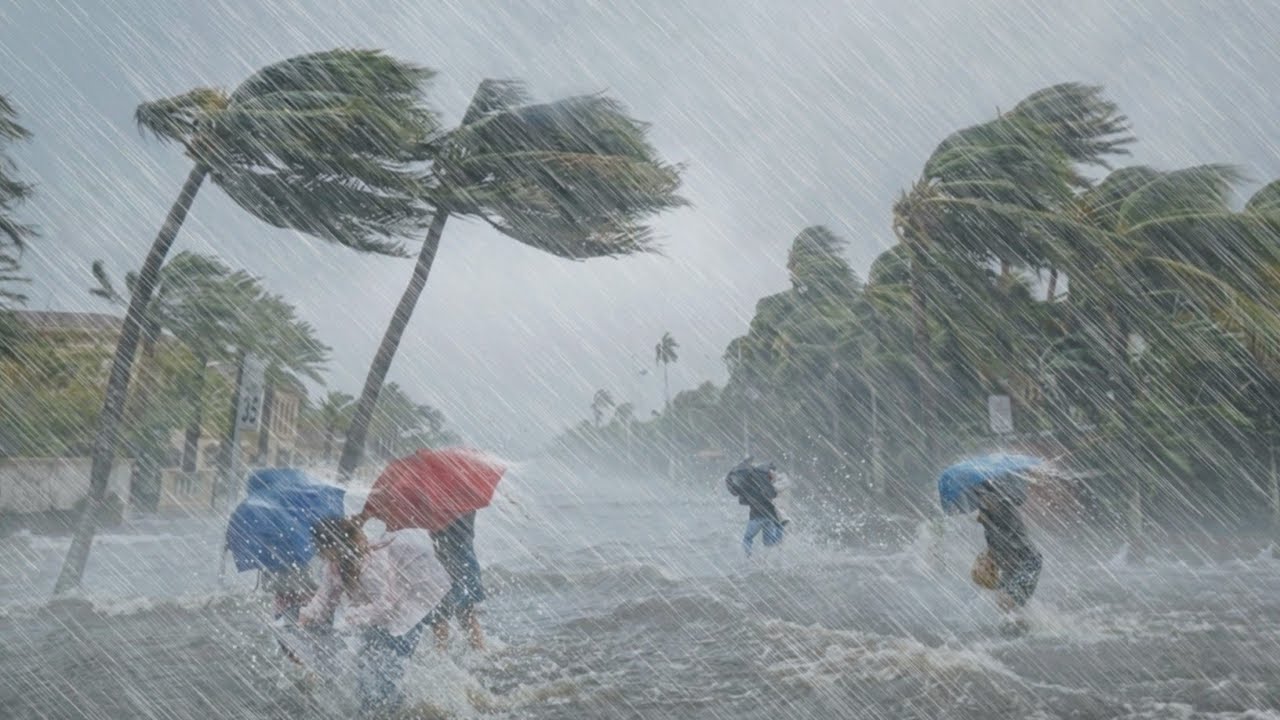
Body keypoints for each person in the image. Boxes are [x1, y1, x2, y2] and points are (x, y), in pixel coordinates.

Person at [298, 517, 448, 715]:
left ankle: (400, 709)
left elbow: (387, 603)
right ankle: (374, 711)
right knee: (365, 673)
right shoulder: (333, 567)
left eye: (322, 548)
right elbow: (325, 597)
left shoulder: (374, 561)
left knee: (389, 676)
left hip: (402, 623)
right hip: (372, 623)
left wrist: (351, 617)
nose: (320, 553)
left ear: (336, 545)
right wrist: (307, 616)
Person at [973, 482, 1042, 612]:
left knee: (1007, 600)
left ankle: (1025, 619)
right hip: (1019, 565)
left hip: (1029, 562)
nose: (984, 502)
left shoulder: (1006, 511)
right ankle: (1024, 619)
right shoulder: (991, 522)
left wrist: (986, 516)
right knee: (1007, 604)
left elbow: (1006, 534)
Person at [428, 511, 486, 651]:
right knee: (467, 614)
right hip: (466, 562)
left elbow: (434, 527)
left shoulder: (437, 505)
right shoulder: (466, 501)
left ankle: (440, 656)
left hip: (446, 565)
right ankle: (482, 653)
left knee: (439, 617)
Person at [726, 460, 786, 556]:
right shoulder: (765, 485)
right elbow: (773, 494)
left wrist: (728, 478)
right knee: (769, 543)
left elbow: (734, 491)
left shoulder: (746, 488)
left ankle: (748, 556)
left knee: (747, 538)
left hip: (756, 517)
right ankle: (780, 529)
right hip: (769, 517)